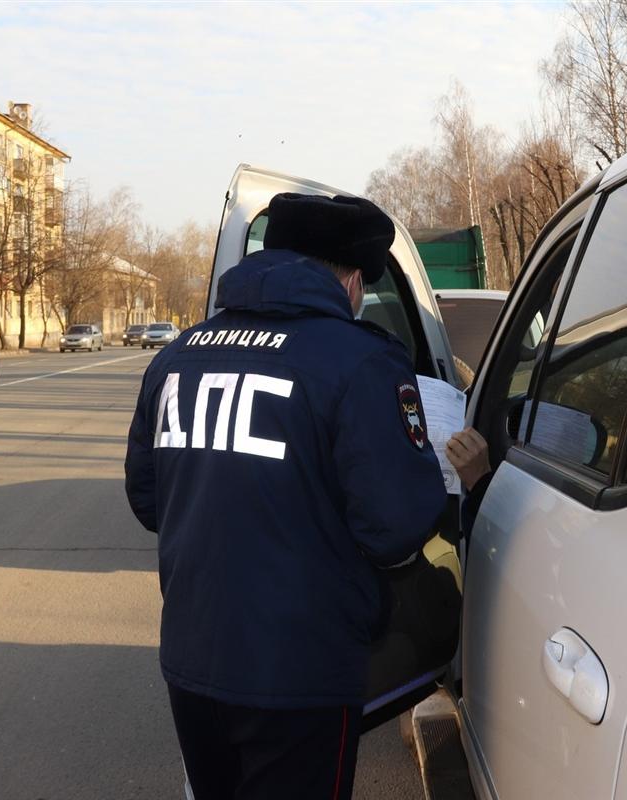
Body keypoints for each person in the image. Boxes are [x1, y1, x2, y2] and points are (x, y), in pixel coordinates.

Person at [125, 193, 447, 799]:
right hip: (303, 670)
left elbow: (148, 500)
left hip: (194, 658)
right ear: (353, 281)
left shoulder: (176, 359)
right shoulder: (360, 362)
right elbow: (395, 526)